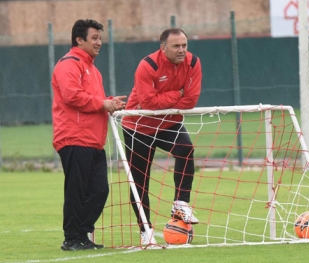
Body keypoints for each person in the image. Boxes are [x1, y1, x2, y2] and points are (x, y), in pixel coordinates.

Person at [121, 28, 202, 245]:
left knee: (186, 149)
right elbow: (148, 104)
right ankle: (145, 230)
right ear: (163, 47)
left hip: (169, 123)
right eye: (176, 46)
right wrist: (178, 94)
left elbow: (191, 101)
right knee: (140, 181)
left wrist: (167, 99)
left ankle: (181, 203)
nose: (182, 50)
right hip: (138, 126)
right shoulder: (148, 66)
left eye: (184, 45)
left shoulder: (193, 63)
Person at [52, 19, 127, 251]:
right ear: (79, 39)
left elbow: (96, 102)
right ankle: (71, 238)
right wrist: (103, 103)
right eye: (94, 38)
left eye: (100, 38)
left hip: (94, 141)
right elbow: (72, 96)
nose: (99, 42)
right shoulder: (69, 64)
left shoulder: (92, 69)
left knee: (99, 190)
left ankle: (82, 234)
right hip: (74, 138)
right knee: (77, 190)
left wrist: (111, 102)